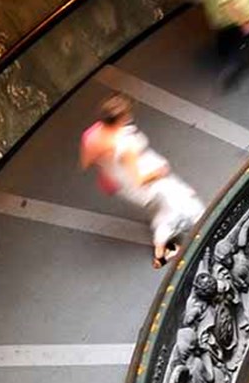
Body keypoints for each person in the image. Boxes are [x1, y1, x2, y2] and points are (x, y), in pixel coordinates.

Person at [80, 94, 206, 267]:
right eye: (126, 115)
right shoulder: (124, 143)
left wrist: (110, 165)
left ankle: (162, 249)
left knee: (164, 210)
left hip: (121, 184)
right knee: (173, 210)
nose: (129, 117)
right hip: (149, 185)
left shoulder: (93, 135)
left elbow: (87, 162)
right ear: (120, 118)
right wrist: (159, 172)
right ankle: (161, 253)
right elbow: (139, 179)